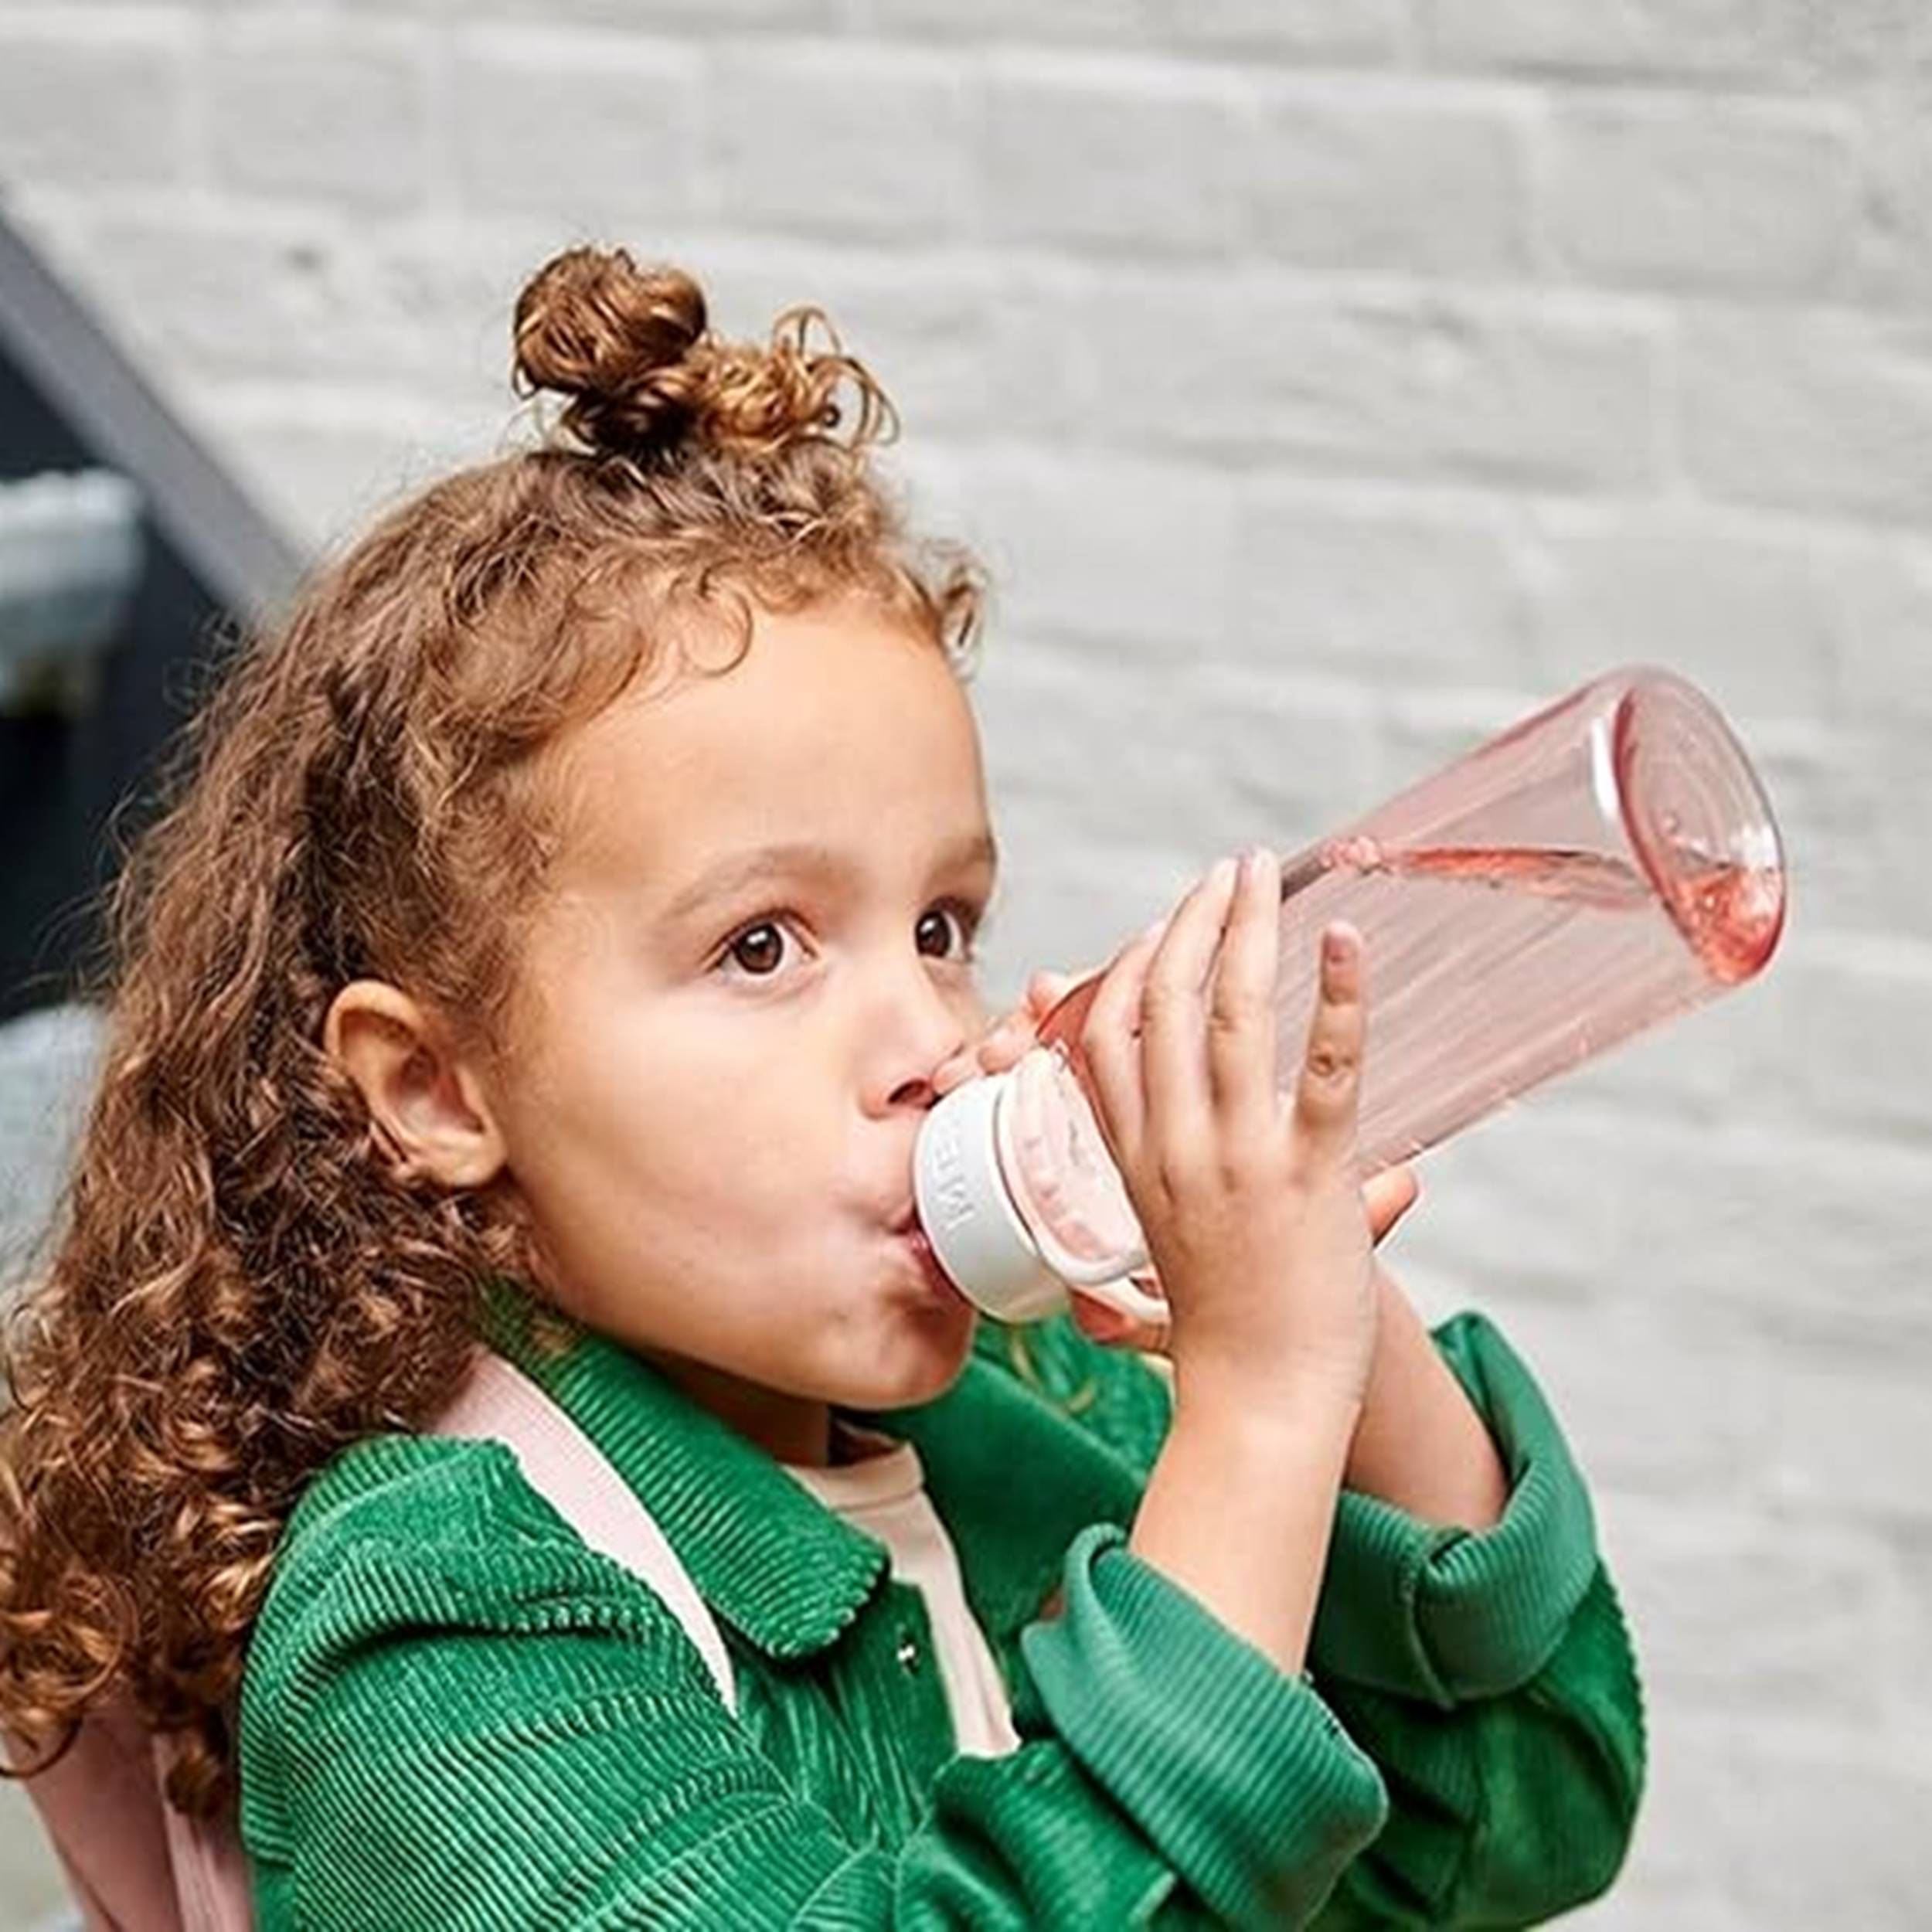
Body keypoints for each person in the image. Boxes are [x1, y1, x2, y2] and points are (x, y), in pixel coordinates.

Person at [0, 243, 1644, 1927]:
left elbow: (1515, 1818)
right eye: (763, 947)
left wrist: (1333, 1337)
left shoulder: (1015, 1417)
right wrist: (1256, 1413)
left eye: (941, 923)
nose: (930, 1035)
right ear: (435, 1086)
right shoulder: (436, 1615)